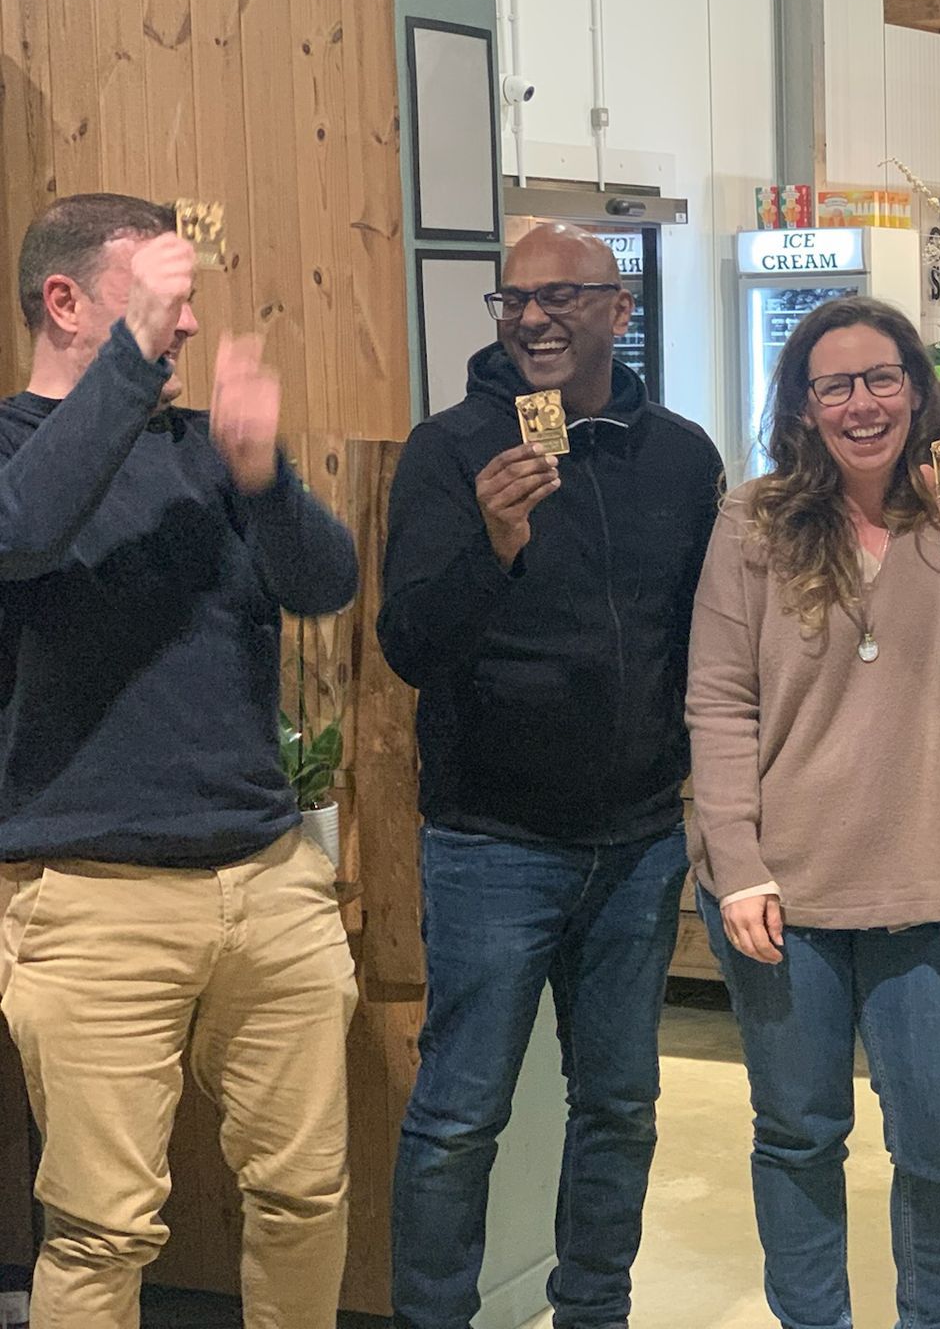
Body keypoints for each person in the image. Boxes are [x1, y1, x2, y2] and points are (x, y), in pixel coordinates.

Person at [0, 193, 360, 1325]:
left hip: (268, 879)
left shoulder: (207, 450)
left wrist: (266, 477)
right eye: (161, 301)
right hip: (89, 899)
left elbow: (324, 585)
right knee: (104, 1230)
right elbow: (24, 535)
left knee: (305, 1194)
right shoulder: (14, 452)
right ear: (67, 303)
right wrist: (129, 363)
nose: (188, 330)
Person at [378, 224, 724, 1329]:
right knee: (459, 1117)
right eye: (513, 301)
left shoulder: (680, 455)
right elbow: (409, 647)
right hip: (490, 838)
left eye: (561, 297)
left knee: (619, 1107)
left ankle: (595, 1312)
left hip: (637, 839)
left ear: (619, 311)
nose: (532, 319)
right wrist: (492, 543)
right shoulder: (448, 452)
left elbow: (705, 640)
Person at [686, 295, 940, 1329]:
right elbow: (719, 699)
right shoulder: (753, 519)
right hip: (780, 893)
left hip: (925, 885)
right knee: (798, 1136)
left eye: (882, 378)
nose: (862, 403)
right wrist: (736, 860)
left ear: (918, 391)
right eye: (834, 385)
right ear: (803, 406)